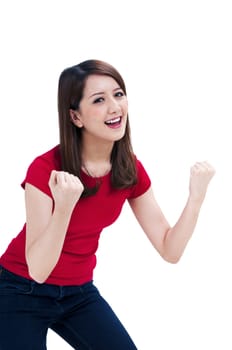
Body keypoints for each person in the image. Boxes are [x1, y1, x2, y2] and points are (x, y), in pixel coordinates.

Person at [0, 59, 215, 350]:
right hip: (20, 288)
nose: (115, 107)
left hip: (78, 292)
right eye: (99, 100)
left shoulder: (129, 170)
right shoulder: (45, 170)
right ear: (76, 117)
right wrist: (64, 208)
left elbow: (170, 249)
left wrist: (196, 199)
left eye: (118, 94)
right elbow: (38, 269)